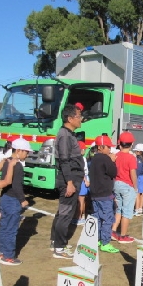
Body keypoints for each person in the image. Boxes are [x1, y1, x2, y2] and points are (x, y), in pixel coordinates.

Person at [49, 104, 85, 259]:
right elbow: (64, 160)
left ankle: (55, 241)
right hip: (68, 181)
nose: (81, 119)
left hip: (73, 179)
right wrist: (69, 182)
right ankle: (59, 247)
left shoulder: (69, 134)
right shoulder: (64, 135)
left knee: (62, 212)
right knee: (65, 214)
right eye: (78, 116)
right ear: (70, 118)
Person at [0, 138, 32, 266]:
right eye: (26, 152)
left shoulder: (6, 162)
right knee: (11, 229)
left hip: (4, 197)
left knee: (4, 226)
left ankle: (1, 251)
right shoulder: (17, 166)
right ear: (18, 150)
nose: (27, 154)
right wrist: (22, 200)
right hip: (12, 200)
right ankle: (8, 256)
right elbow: (16, 185)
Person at [89, 135, 119, 253]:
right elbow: (113, 172)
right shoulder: (105, 158)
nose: (110, 150)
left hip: (94, 194)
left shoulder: (93, 158)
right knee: (107, 218)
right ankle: (105, 242)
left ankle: (96, 239)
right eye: (108, 147)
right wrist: (112, 161)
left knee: (97, 217)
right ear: (101, 147)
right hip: (105, 194)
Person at [110, 131, 137, 244]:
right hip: (127, 186)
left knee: (119, 209)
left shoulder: (116, 156)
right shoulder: (131, 158)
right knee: (127, 211)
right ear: (131, 145)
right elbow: (132, 173)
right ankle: (123, 235)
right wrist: (135, 187)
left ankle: (113, 231)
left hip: (116, 184)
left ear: (119, 144)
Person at [71, 141, 89, 226]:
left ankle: (79, 217)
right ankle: (79, 217)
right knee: (81, 201)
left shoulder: (79, 159)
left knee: (80, 201)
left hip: (82, 180)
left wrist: (85, 180)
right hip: (83, 180)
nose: (85, 150)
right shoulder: (82, 159)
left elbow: (82, 172)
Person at [133, 143, 143, 216]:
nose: (135, 152)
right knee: (141, 194)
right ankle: (140, 209)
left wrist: (134, 178)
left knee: (137, 193)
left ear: (139, 151)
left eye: (136, 150)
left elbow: (138, 170)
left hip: (139, 177)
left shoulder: (138, 159)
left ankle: (136, 209)